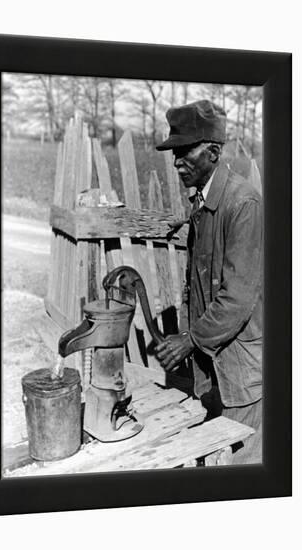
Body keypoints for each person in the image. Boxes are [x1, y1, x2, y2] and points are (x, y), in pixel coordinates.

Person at [155, 99, 263, 464]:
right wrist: (185, 218)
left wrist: (190, 340)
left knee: (241, 469)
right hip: (213, 367)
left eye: (185, 151)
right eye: (174, 152)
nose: (176, 161)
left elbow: (237, 299)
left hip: (240, 372)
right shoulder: (203, 202)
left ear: (214, 151)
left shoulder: (243, 203)